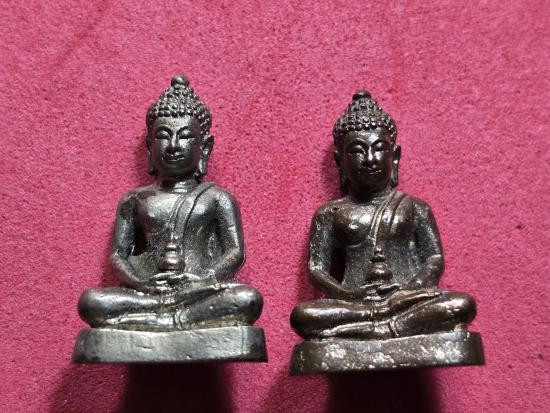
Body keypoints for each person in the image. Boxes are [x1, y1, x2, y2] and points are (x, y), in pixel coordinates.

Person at [78, 75, 262, 331]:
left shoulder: (217, 198)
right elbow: (119, 255)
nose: (173, 146)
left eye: (185, 136)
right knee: (92, 302)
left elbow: (235, 253)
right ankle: (173, 318)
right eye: (163, 136)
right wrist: (142, 284)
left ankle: (160, 320)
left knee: (246, 299)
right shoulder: (135, 199)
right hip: (149, 291)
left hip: (199, 291)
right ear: (149, 146)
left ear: (205, 147)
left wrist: (202, 281)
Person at [290, 91, 476, 339]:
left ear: (395, 156)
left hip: (407, 299)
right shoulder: (329, 213)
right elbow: (316, 269)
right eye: (357, 151)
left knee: (461, 305)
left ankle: (371, 329)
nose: (370, 159)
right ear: (339, 161)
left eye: (379, 149)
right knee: (304, 315)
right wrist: (349, 294)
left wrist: (410, 289)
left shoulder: (415, 207)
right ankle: (388, 326)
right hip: (354, 302)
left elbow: (434, 258)